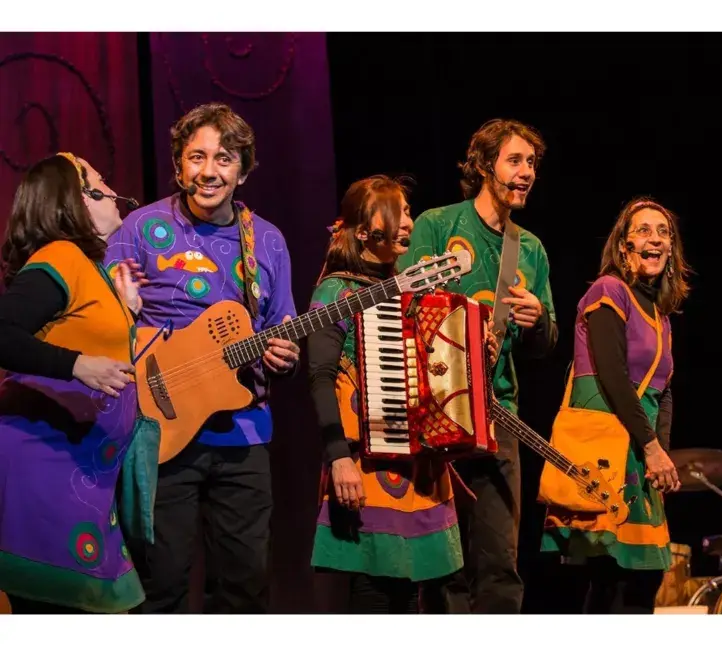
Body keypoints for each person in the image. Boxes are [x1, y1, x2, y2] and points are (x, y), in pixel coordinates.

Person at [104, 103, 300, 613]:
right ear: (177, 165)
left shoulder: (269, 242)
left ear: (243, 170)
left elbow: (282, 324)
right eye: (197, 157)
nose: (210, 171)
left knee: (244, 587)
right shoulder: (140, 229)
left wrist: (285, 351)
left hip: (244, 431)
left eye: (224, 159)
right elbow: (105, 324)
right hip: (159, 430)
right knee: (161, 583)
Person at [308, 175, 498, 613]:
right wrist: (338, 457)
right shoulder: (336, 290)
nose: (407, 222)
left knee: (415, 594)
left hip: (421, 466)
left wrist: (475, 355)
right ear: (362, 230)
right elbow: (319, 378)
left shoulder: (414, 291)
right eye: (395, 212)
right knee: (376, 588)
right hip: (365, 461)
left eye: (408, 211)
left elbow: (441, 379)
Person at [397, 118, 557, 613]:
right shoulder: (438, 225)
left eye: (532, 162)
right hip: (437, 411)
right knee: (446, 568)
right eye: (515, 160)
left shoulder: (528, 249)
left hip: (498, 414)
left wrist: (536, 322)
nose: (526, 171)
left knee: (499, 565)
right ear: (485, 166)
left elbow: (542, 348)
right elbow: (402, 308)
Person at [0, 152, 145, 613]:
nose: (116, 190)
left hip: (86, 481)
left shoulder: (91, 271)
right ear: (81, 199)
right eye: (102, 181)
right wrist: (78, 364)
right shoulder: (61, 256)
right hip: (45, 474)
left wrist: (129, 313)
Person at [539, 197, 686, 614]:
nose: (654, 239)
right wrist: (652, 447)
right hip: (607, 454)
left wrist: (661, 455)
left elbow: (664, 391)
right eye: (643, 230)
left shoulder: (661, 317)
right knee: (613, 579)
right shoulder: (609, 291)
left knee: (644, 577)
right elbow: (612, 375)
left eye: (663, 232)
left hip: (641, 459)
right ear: (624, 247)